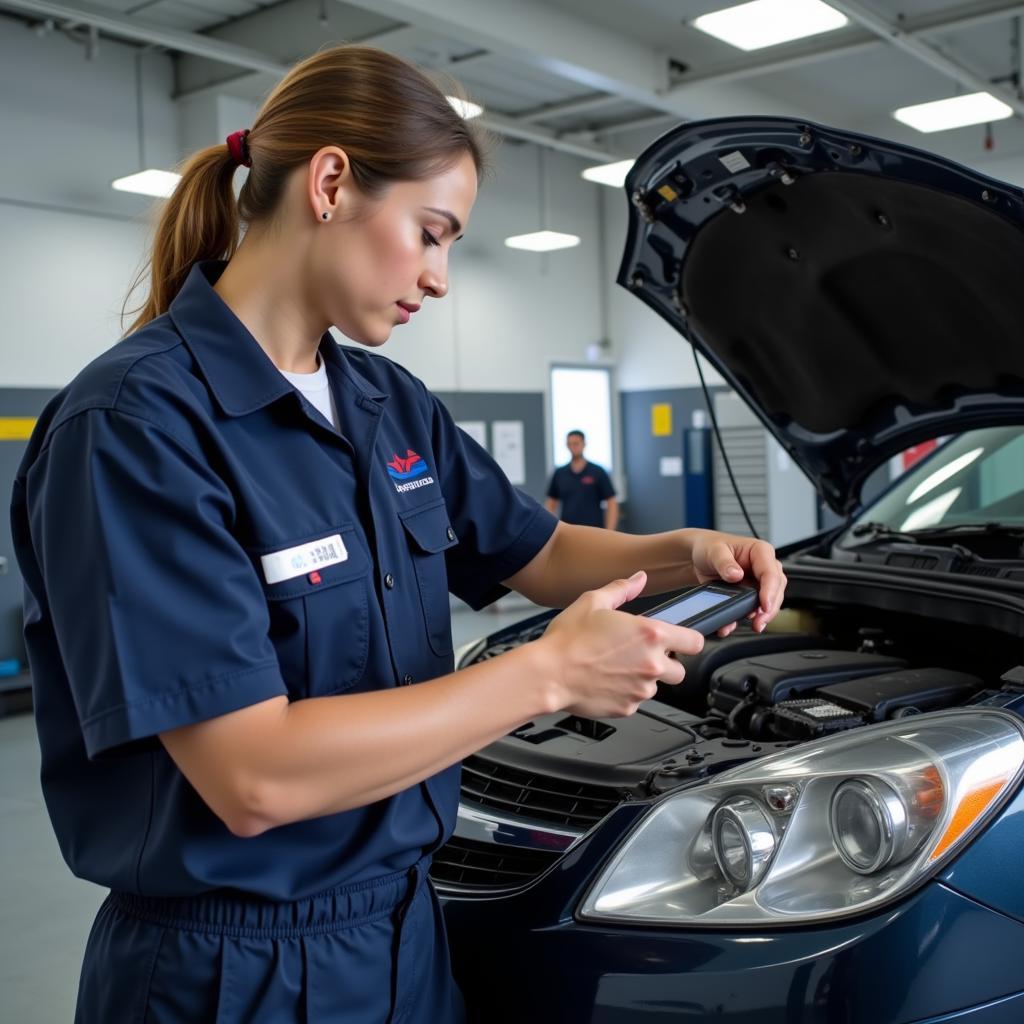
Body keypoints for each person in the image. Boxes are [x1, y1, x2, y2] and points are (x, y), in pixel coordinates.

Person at [9, 45, 787, 1024]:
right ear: (330, 183)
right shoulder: (137, 426)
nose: (441, 277)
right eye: (429, 233)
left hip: (402, 941)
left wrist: (676, 552)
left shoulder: (385, 403)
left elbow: (536, 551)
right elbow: (251, 775)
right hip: (232, 973)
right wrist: (545, 676)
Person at [545, 429, 618, 529]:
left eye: (576, 443)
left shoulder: (597, 471)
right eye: (569, 444)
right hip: (568, 531)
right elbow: (551, 503)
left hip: (594, 531)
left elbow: (611, 502)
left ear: (584, 444)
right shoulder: (560, 473)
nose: (572, 447)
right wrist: (551, 529)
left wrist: (610, 531)